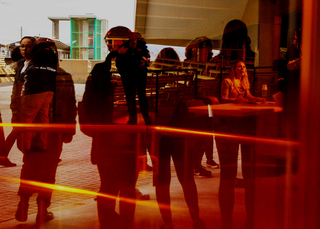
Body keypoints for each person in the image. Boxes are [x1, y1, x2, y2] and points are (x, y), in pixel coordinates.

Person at [215, 60, 265, 229]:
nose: (242, 69)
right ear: (233, 69)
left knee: (246, 173)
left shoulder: (244, 82)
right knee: (228, 174)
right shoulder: (228, 82)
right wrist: (235, 100)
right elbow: (223, 99)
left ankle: (247, 219)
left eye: (244, 67)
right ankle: (227, 222)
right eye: (239, 67)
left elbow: (248, 96)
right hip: (229, 123)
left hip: (243, 121)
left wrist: (256, 98)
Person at [14, 40, 59, 225]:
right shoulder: (59, 74)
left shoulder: (30, 71)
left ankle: (25, 201)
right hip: (53, 133)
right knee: (48, 170)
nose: (25, 49)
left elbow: (17, 95)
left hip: (40, 133)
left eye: (29, 46)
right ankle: (41, 208)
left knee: (29, 167)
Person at [156, 99, 207, 229]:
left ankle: (167, 222)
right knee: (186, 179)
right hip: (177, 134)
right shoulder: (182, 110)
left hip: (159, 131)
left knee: (162, 181)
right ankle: (195, 219)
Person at [0, 36, 36, 167]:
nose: (24, 49)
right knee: (18, 130)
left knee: (20, 130)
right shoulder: (21, 63)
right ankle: (5, 156)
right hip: (18, 103)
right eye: (22, 46)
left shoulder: (36, 63)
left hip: (30, 104)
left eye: (28, 46)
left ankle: (5, 156)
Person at [116, 32, 152, 125]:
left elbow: (147, 57)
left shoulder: (142, 45)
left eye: (132, 33)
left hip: (140, 75)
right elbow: (119, 61)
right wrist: (123, 73)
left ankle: (146, 117)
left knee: (142, 97)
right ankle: (132, 118)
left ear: (136, 35)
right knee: (130, 98)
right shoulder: (124, 46)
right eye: (129, 34)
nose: (131, 35)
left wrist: (144, 62)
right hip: (128, 77)